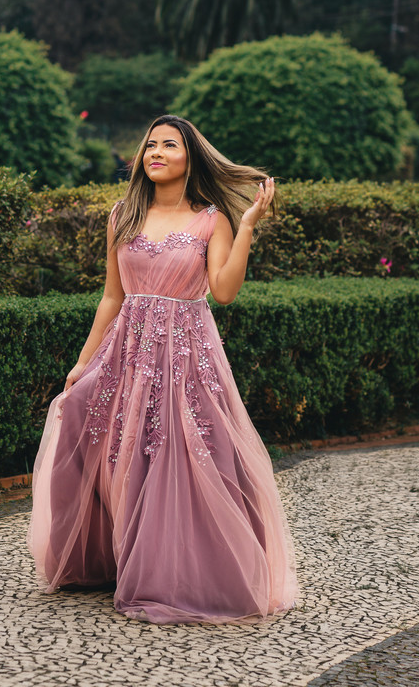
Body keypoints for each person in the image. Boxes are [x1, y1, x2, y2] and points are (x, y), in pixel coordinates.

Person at [27, 115, 298, 624]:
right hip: (127, 350)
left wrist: (245, 229)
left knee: (183, 453)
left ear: (189, 157)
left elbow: (224, 291)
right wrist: (83, 361)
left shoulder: (210, 218)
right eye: (150, 145)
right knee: (90, 422)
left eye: (169, 145)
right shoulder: (123, 215)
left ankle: (186, 573)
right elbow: (112, 296)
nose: (155, 153)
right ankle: (105, 559)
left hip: (186, 354)